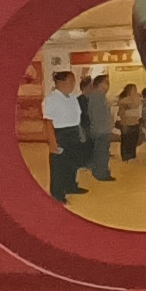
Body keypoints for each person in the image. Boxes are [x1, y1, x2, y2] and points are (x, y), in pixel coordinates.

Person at [39, 68, 86, 202]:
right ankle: (58, 194)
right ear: (60, 82)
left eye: (74, 81)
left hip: (73, 131)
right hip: (60, 133)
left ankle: (71, 186)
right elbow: (48, 122)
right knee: (59, 165)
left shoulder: (73, 97)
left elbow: (76, 117)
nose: (73, 84)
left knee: (73, 162)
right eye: (71, 81)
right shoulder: (51, 99)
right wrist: (52, 142)